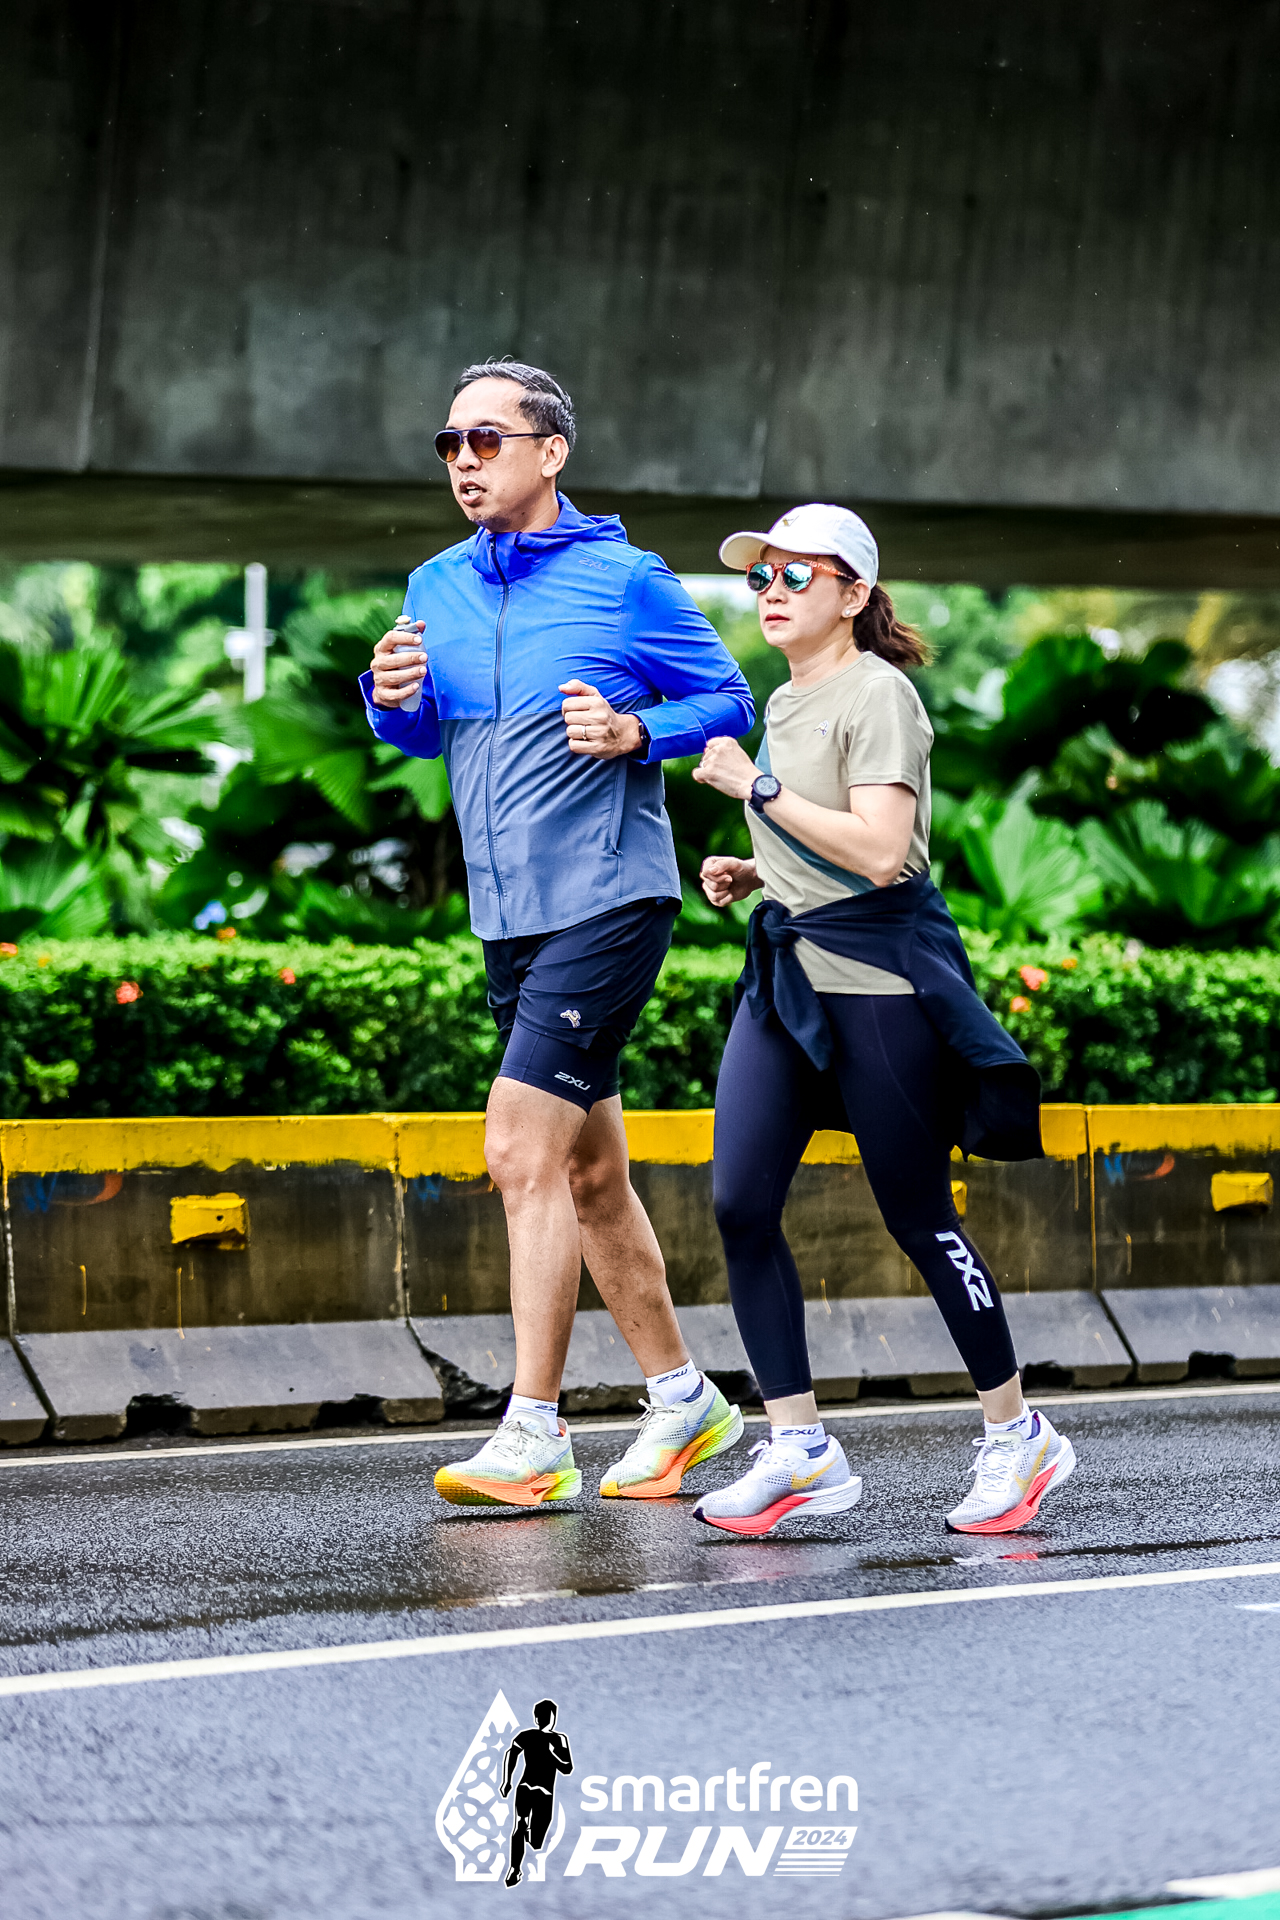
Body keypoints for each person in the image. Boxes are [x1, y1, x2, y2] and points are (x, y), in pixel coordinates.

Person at [360, 358, 754, 1509]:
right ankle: (682, 1399)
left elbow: (728, 700)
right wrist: (390, 699)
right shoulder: (434, 584)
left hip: (607, 898)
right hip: (508, 912)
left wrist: (638, 732)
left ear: (550, 452)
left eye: (486, 439)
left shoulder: (624, 581)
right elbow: (424, 737)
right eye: (449, 443)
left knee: (518, 1150)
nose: (463, 460)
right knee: (586, 1171)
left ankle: (533, 1431)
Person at [688, 502, 1077, 1537]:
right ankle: (800, 1447)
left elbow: (877, 850)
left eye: (796, 576)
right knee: (738, 1204)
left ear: (853, 594)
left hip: (880, 982)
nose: (771, 592)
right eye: (761, 576)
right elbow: (820, 837)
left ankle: (1017, 1432)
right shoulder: (785, 699)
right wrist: (756, 869)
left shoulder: (880, 693)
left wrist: (753, 787)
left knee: (918, 1217)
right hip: (787, 977)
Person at [500, 1697, 572, 1886]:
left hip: (542, 1793)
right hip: (529, 1788)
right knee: (520, 1824)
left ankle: (526, 1838)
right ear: (537, 1718)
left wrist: (551, 1754)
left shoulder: (559, 1739)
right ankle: (515, 1868)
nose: (546, 1719)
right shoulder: (528, 1736)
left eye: (548, 1715)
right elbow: (511, 1753)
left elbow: (567, 1768)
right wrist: (506, 1780)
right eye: (543, 1716)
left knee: (536, 1841)